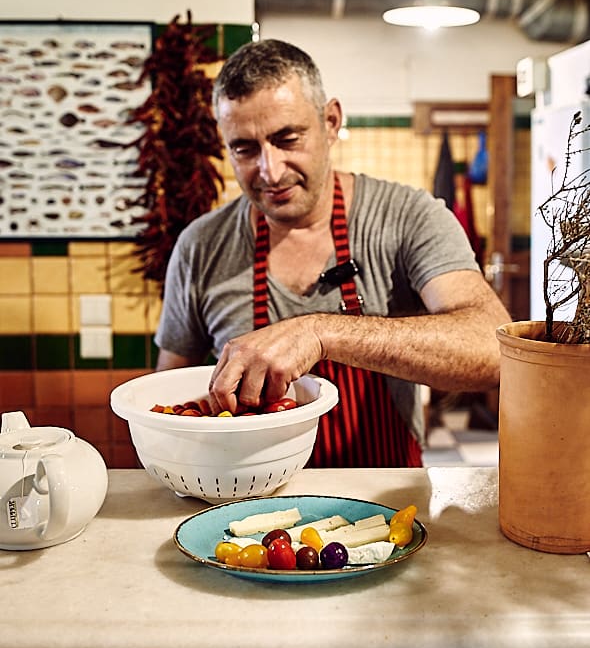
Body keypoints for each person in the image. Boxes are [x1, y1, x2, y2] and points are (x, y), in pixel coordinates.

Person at [155, 38, 511, 467]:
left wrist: (320, 334)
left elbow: (494, 352)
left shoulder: (407, 217)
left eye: (287, 139)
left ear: (330, 121)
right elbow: (168, 401)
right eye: (245, 149)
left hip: (383, 513)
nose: (270, 171)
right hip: (248, 512)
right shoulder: (201, 246)